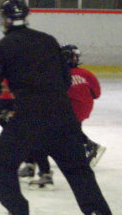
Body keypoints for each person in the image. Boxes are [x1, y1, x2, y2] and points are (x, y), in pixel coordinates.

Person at [0, 0, 122, 215]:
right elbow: (66, 81)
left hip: (29, 119)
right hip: (64, 118)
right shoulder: (48, 40)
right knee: (80, 172)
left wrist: (8, 96)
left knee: (2, 161)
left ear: (3, 20)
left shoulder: (1, 48)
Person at [20, 44, 107, 191]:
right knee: (70, 132)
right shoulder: (87, 74)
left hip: (68, 112)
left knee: (41, 135)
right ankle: (84, 152)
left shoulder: (59, 75)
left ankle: (39, 169)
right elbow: (96, 94)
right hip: (83, 111)